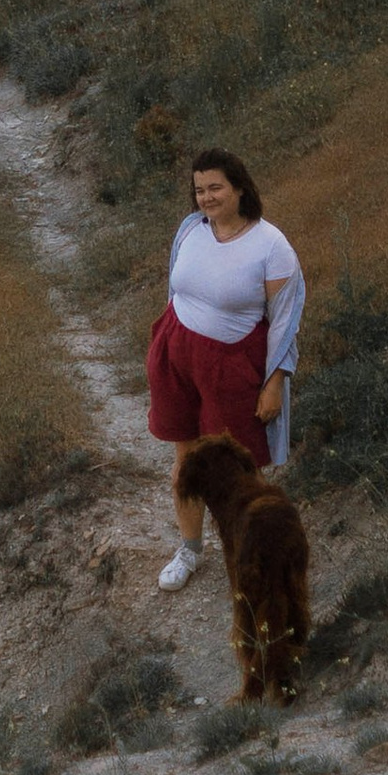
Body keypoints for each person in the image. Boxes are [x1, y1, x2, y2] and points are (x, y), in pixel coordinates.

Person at [146, 145, 304, 591]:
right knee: (186, 458)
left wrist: (275, 382)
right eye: (199, 190)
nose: (207, 198)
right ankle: (190, 549)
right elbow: (178, 287)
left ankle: (255, 555)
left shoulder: (271, 246)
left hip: (231, 364)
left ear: (239, 188)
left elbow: (286, 322)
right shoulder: (191, 230)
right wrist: (167, 341)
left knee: (238, 466)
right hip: (176, 354)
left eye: (215, 187)